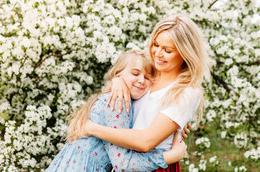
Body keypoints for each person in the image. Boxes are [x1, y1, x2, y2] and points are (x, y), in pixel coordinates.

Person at [83, 15, 211, 172]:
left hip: (153, 165)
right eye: (156, 45)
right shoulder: (147, 74)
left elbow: (146, 141)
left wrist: (91, 129)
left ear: (185, 53)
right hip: (123, 160)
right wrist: (118, 80)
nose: (158, 53)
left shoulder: (186, 91)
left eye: (167, 50)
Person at [46, 50, 187, 172]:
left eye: (147, 77)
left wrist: (173, 125)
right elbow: (123, 164)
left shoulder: (125, 100)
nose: (141, 80)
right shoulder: (118, 103)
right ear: (118, 74)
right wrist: (170, 156)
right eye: (135, 73)